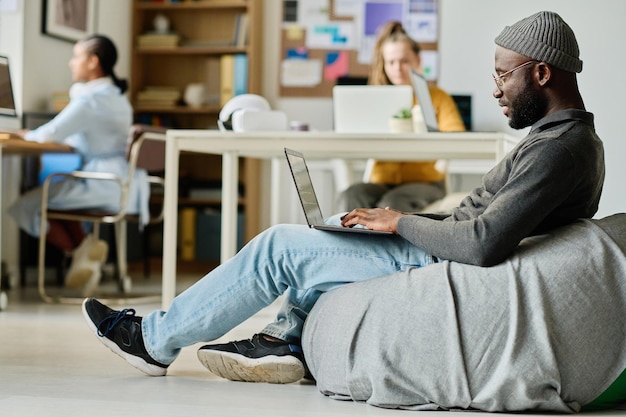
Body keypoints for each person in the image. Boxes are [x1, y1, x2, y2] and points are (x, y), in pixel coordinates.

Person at [83, 10, 604, 389]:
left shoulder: (558, 150)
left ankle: (153, 341)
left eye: (503, 74)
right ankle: (287, 339)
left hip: (436, 259)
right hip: (435, 242)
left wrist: (401, 221)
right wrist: (405, 219)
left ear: (540, 73)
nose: (496, 89)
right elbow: (482, 222)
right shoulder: (560, 138)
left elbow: (484, 242)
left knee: (279, 248)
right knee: (338, 220)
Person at [9, 34, 149, 295]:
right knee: (55, 195)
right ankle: (84, 248)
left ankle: (78, 252)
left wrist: (23, 134)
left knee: (27, 205)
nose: (71, 63)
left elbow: (50, 133)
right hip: (125, 185)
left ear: (93, 61)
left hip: (104, 184)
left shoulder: (90, 99)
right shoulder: (116, 97)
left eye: (77, 56)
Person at [337, 21, 466, 213]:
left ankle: (382, 244)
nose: (397, 68)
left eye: (404, 61)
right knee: (351, 195)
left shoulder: (437, 97)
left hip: (426, 182)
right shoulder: (375, 98)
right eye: (391, 62)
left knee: (393, 201)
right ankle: (349, 243)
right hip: (381, 181)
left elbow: (456, 137)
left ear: (417, 60)